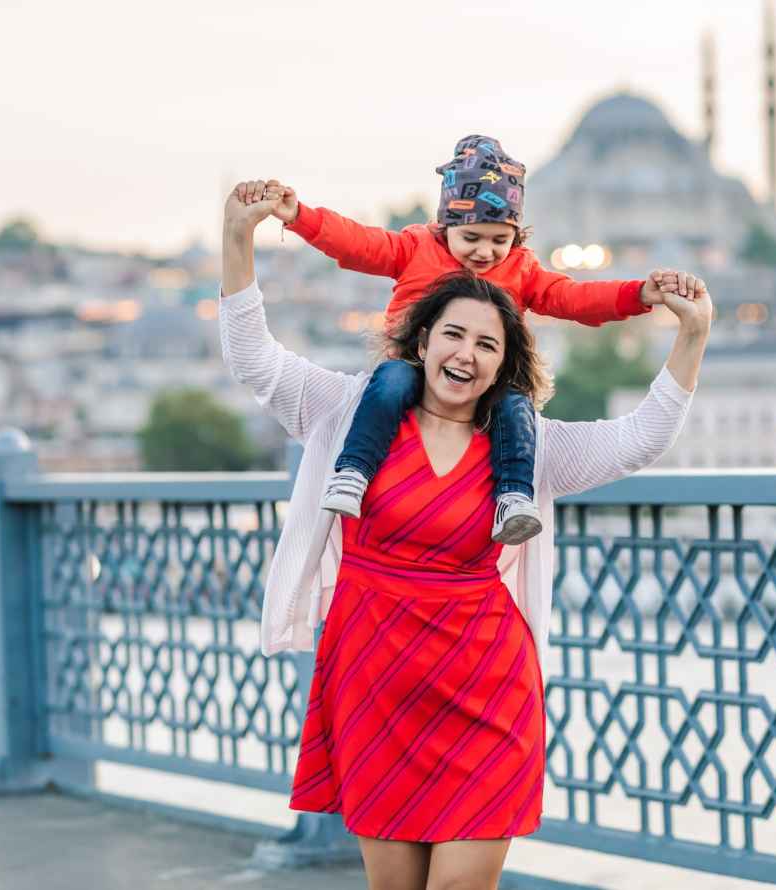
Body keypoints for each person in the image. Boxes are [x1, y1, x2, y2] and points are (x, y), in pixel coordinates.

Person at [219, 181, 711, 890]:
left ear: (504, 361)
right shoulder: (348, 416)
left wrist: (690, 336)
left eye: (488, 343)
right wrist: (238, 239)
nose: (467, 354)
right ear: (421, 340)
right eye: (453, 334)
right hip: (375, 680)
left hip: (486, 688)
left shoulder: (526, 449)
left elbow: (639, 441)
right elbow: (253, 359)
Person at [262, 134, 694, 547]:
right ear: (445, 225)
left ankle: (512, 498)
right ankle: (353, 471)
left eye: (499, 240)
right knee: (390, 384)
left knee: (516, 406)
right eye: (471, 238)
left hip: (484, 383)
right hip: (411, 364)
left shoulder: (522, 269)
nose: (485, 253)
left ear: (516, 236)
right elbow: (357, 243)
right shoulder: (415, 248)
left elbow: (572, 298)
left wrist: (639, 295)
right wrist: (300, 216)